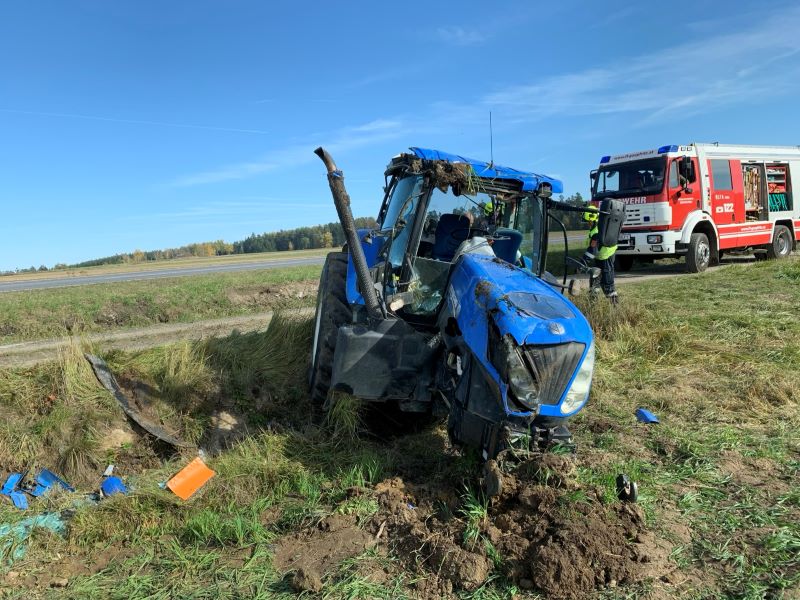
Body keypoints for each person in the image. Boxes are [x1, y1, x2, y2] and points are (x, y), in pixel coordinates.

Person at [583, 208, 618, 304]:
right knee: (594, 283)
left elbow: (592, 251)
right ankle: (592, 305)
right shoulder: (596, 229)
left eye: (588, 222)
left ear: (593, 220)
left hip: (606, 258)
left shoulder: (597, 232)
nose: (588, 224)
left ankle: (616, 307)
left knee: (608, 285)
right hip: (600, 258)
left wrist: (583, 262)